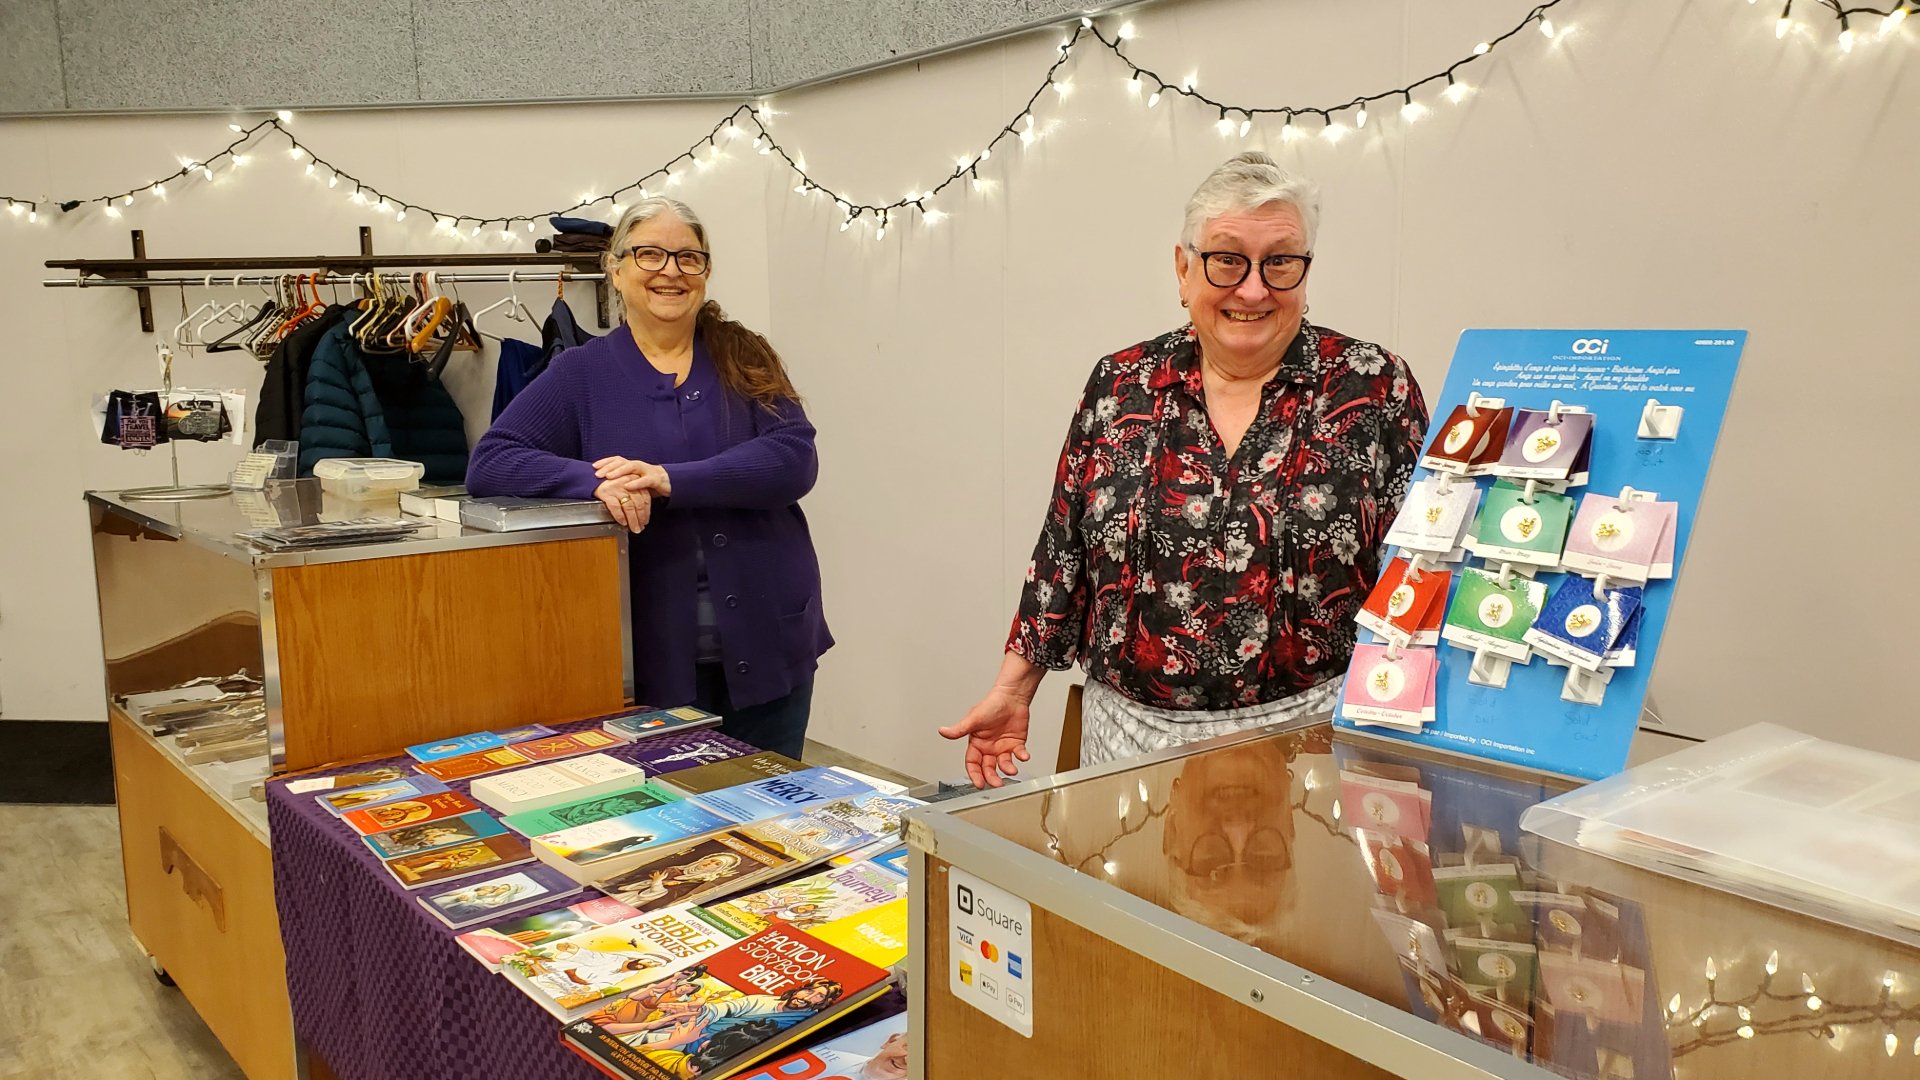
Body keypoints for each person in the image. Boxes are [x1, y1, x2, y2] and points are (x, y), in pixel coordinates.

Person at [941, 152, 1428, 786]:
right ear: (1183, 267)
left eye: (1280, 262)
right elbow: (1065, 546)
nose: (1253, 289)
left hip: (1310, 742)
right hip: (1131, 740)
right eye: (1227, 259)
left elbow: (1422, 564)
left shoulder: (1371, 386)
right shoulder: (1121, 384)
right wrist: (1014, 688)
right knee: (1132, 891)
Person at [468, 197, 830, 759]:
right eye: (650, 254)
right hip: (651, 655)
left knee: (774, 816)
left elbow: (793, 458)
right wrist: (591, 481)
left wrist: (668, 478)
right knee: (671, 820)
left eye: (689, 258)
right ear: (615, 269)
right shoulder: (580, 372)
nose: (671, 271)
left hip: (769, 642)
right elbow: (492, 460)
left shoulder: (743, 354)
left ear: (705, 272)